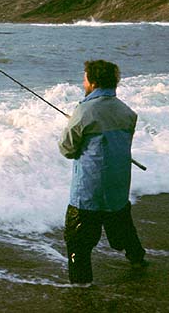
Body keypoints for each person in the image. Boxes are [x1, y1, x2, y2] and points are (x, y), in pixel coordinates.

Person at [59, 59, 146, 286]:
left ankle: (81, 287)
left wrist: (76, 123)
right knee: (123, 226)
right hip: (117, 187)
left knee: (78, 242)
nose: (83, 81)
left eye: (85, 77)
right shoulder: (127, 112)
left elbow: (67, 149)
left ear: (93, 82)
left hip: (88, 191)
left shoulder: (84, 111)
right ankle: (137, 259)